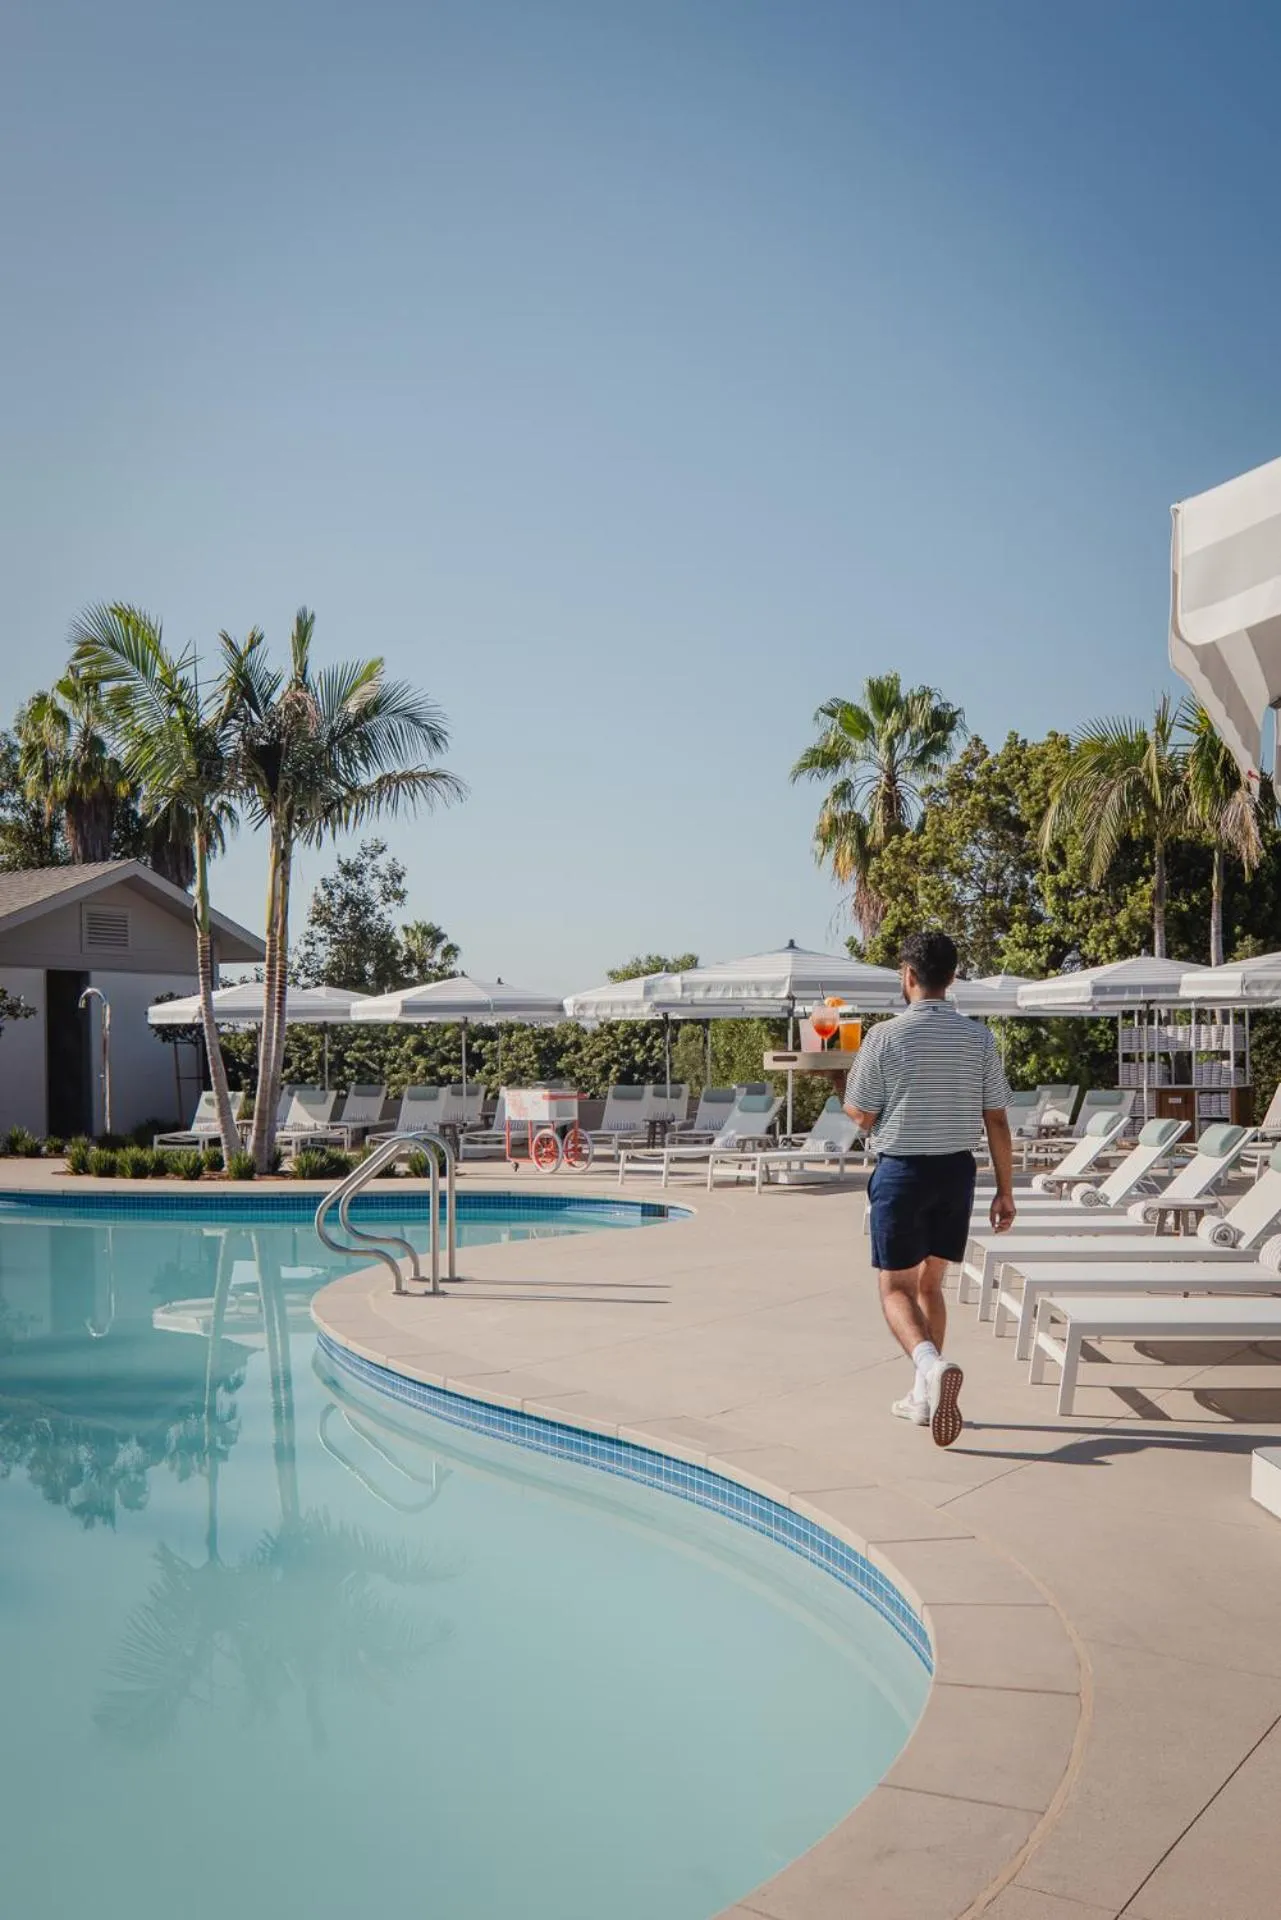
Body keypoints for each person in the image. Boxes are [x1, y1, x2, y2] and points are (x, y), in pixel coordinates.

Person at [844, 929, 1015, 1446]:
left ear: (908, 976)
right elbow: (998, 1122)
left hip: (903, 1174)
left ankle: (929, 1365)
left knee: (894, 1287)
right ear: (952, 977)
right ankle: (923, 1398)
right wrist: (1005, 1191)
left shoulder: (884, 1037)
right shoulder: (979, 1037)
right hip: (956, 1173)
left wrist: (840, 1092)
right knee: (930, 1285)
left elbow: (864, 1116)